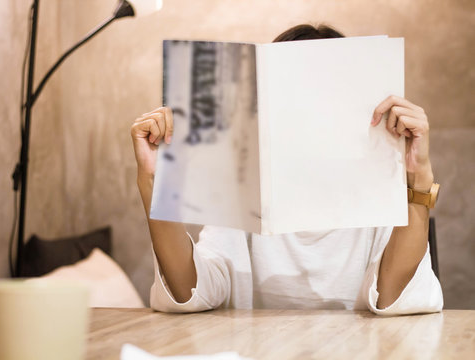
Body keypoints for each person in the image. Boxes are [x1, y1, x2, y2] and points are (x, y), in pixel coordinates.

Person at [130, 24, 443, 315]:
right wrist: (157, 185)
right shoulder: (244, 194)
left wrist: (419, 176)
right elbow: (190, 290)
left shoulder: (377, 192)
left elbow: (394, 298)